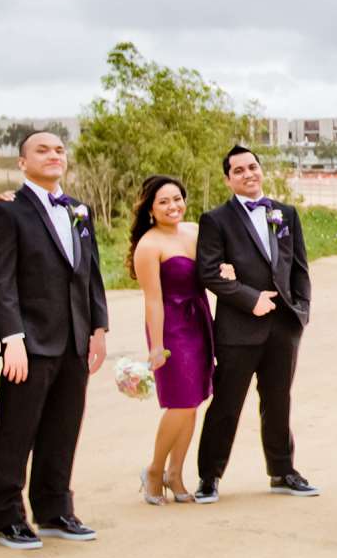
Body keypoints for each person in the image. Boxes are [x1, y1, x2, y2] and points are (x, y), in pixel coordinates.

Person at [0, 130, 108, 551]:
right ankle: (6, 515)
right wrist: (11, 337)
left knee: (63, 427)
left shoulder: (78, 211)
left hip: (74, 339)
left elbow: (91, 275)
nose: (54, 155)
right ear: (22, 163)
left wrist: (98, 330)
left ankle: (54, 510)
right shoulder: (8, 212)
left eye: (59, 149)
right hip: (29, 341)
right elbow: (1, 280)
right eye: (42, 150)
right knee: (17, 431)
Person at [193, 144, 316, 502]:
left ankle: (283, 471)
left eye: (252, 167)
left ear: (261, 170)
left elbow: (299, 268)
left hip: (284, 327)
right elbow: (209, 273)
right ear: (228, 178)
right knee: (227, 405)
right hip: (238, 329)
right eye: (239, 170)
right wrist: (251, 299)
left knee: (278, 401)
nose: (248, 174)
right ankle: (209, 476)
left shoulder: (286, 213)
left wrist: (301, 311)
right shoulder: (215, 220)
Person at [129, 176, 213, 506]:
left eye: (177, 199)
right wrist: (156, 346)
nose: (172, 206)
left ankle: (176, 473)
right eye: (163, 201)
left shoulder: (194, 231)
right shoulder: (149, 246)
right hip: (171, 328)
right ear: (150, 208)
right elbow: (152, 300)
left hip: (199, 320)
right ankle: (154, 470)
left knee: (194, 402)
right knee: (179, 402)